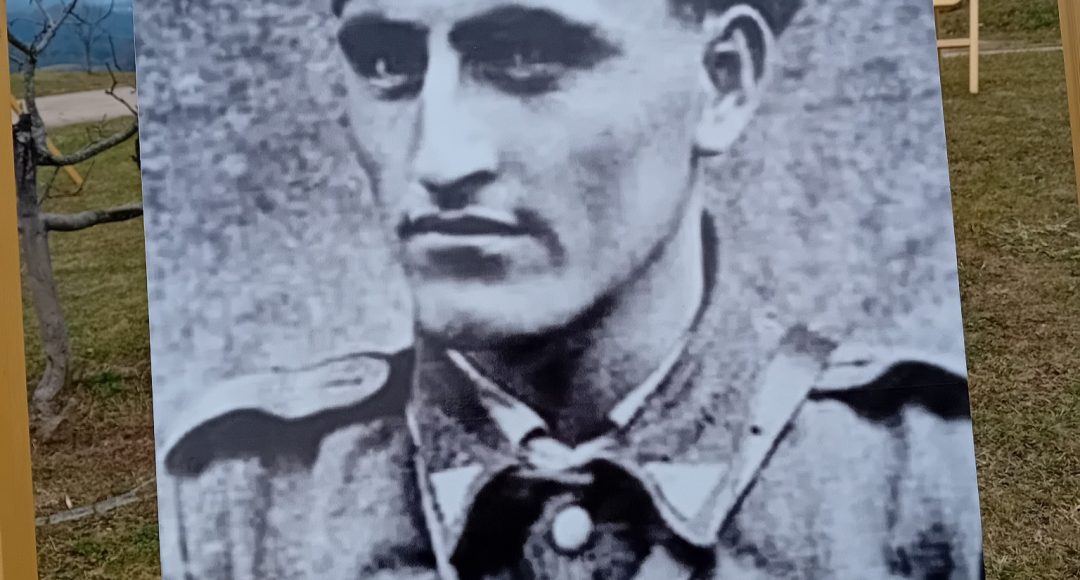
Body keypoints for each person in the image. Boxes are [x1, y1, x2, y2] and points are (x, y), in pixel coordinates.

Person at [161, 0, 984, 578]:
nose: (439, 160)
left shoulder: (920, 481)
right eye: (388, 64)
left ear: (722, 81)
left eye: (525, 58)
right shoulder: (236, 499)